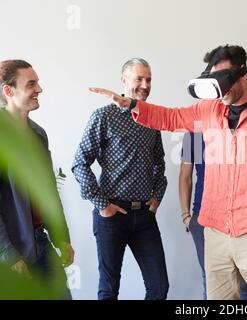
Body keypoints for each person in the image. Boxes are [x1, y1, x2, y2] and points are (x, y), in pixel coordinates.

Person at [90, 45, 247, 300]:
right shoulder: (208, 110)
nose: (220, 89)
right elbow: (170, 117)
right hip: (216, 231)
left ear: (243, 75)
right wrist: (131, 104)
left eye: (225, 79)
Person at [72, 58, 169, 300]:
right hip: (112, 216)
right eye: (139, 79)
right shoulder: (103, 116)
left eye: (149, 79)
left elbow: (159, 163)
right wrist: (102, 204)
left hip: (145, 216)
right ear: (123, 80)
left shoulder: (151, 118)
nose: (145, 85)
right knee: (109, 289)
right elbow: (79, 163)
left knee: (159, 288)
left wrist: (157, 195)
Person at [0, 59, 74, 298]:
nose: (39, 89)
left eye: (38, 83)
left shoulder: (38, 134)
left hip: (40, 242)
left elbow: (48, 190)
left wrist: (61, 237)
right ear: (8, 91)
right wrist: (8, 255)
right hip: (11, 250)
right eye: (31, 84)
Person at [179, 132, 247, 300]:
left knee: (244, 285)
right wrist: (186, 216)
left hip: (240, 216)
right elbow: (185, 175)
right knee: (212, 281)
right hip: (203, 218)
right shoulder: (194, 134)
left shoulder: (239, 128)